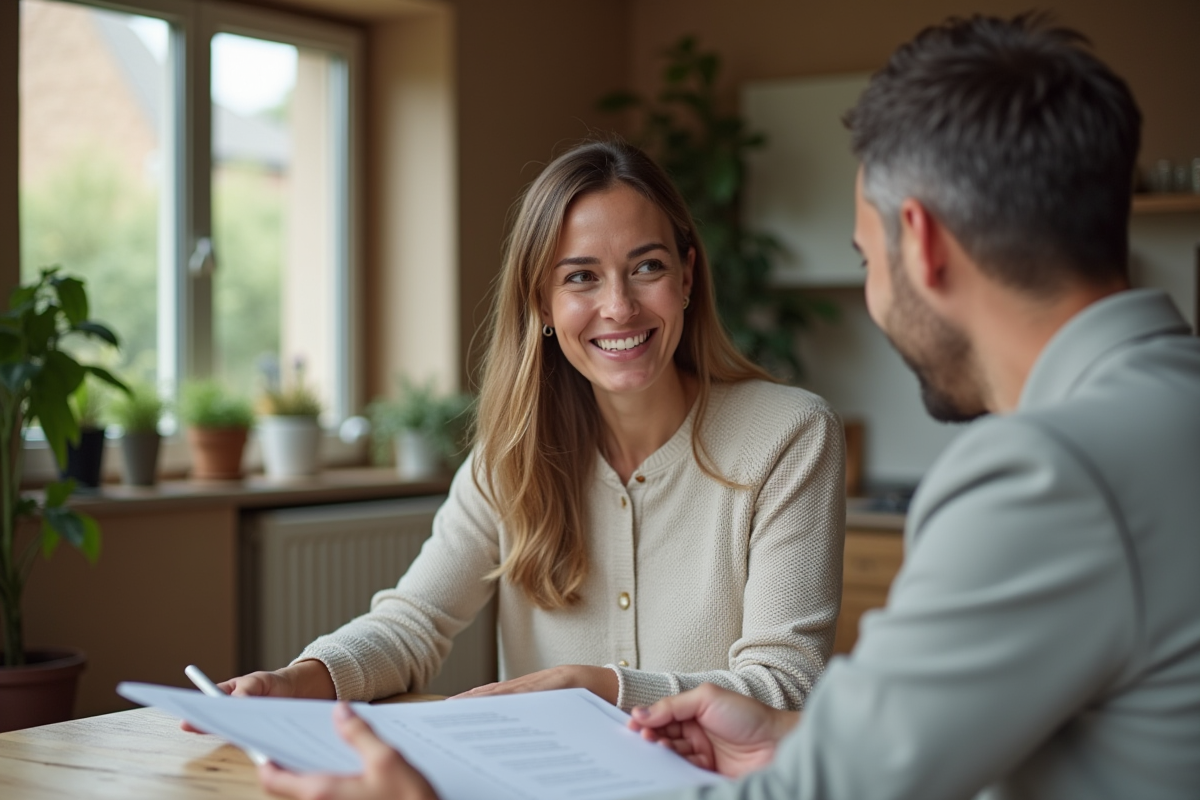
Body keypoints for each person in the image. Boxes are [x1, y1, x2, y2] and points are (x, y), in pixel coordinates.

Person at [256, 13, 1200, 800]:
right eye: (581, 279)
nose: (618, 306)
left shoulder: (1041, 475)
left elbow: (846, 782)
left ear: (922, 242)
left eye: (866, 258)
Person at [210, 140, 845, 720]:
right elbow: (414, 623)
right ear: (542, 303)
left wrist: (598, 687)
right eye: (580, 277)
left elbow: (787, 684)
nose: (619, 306)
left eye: (646, 267)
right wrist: (300, 679)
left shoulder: (788, 435)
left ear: (686, 276)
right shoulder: (511, 457)